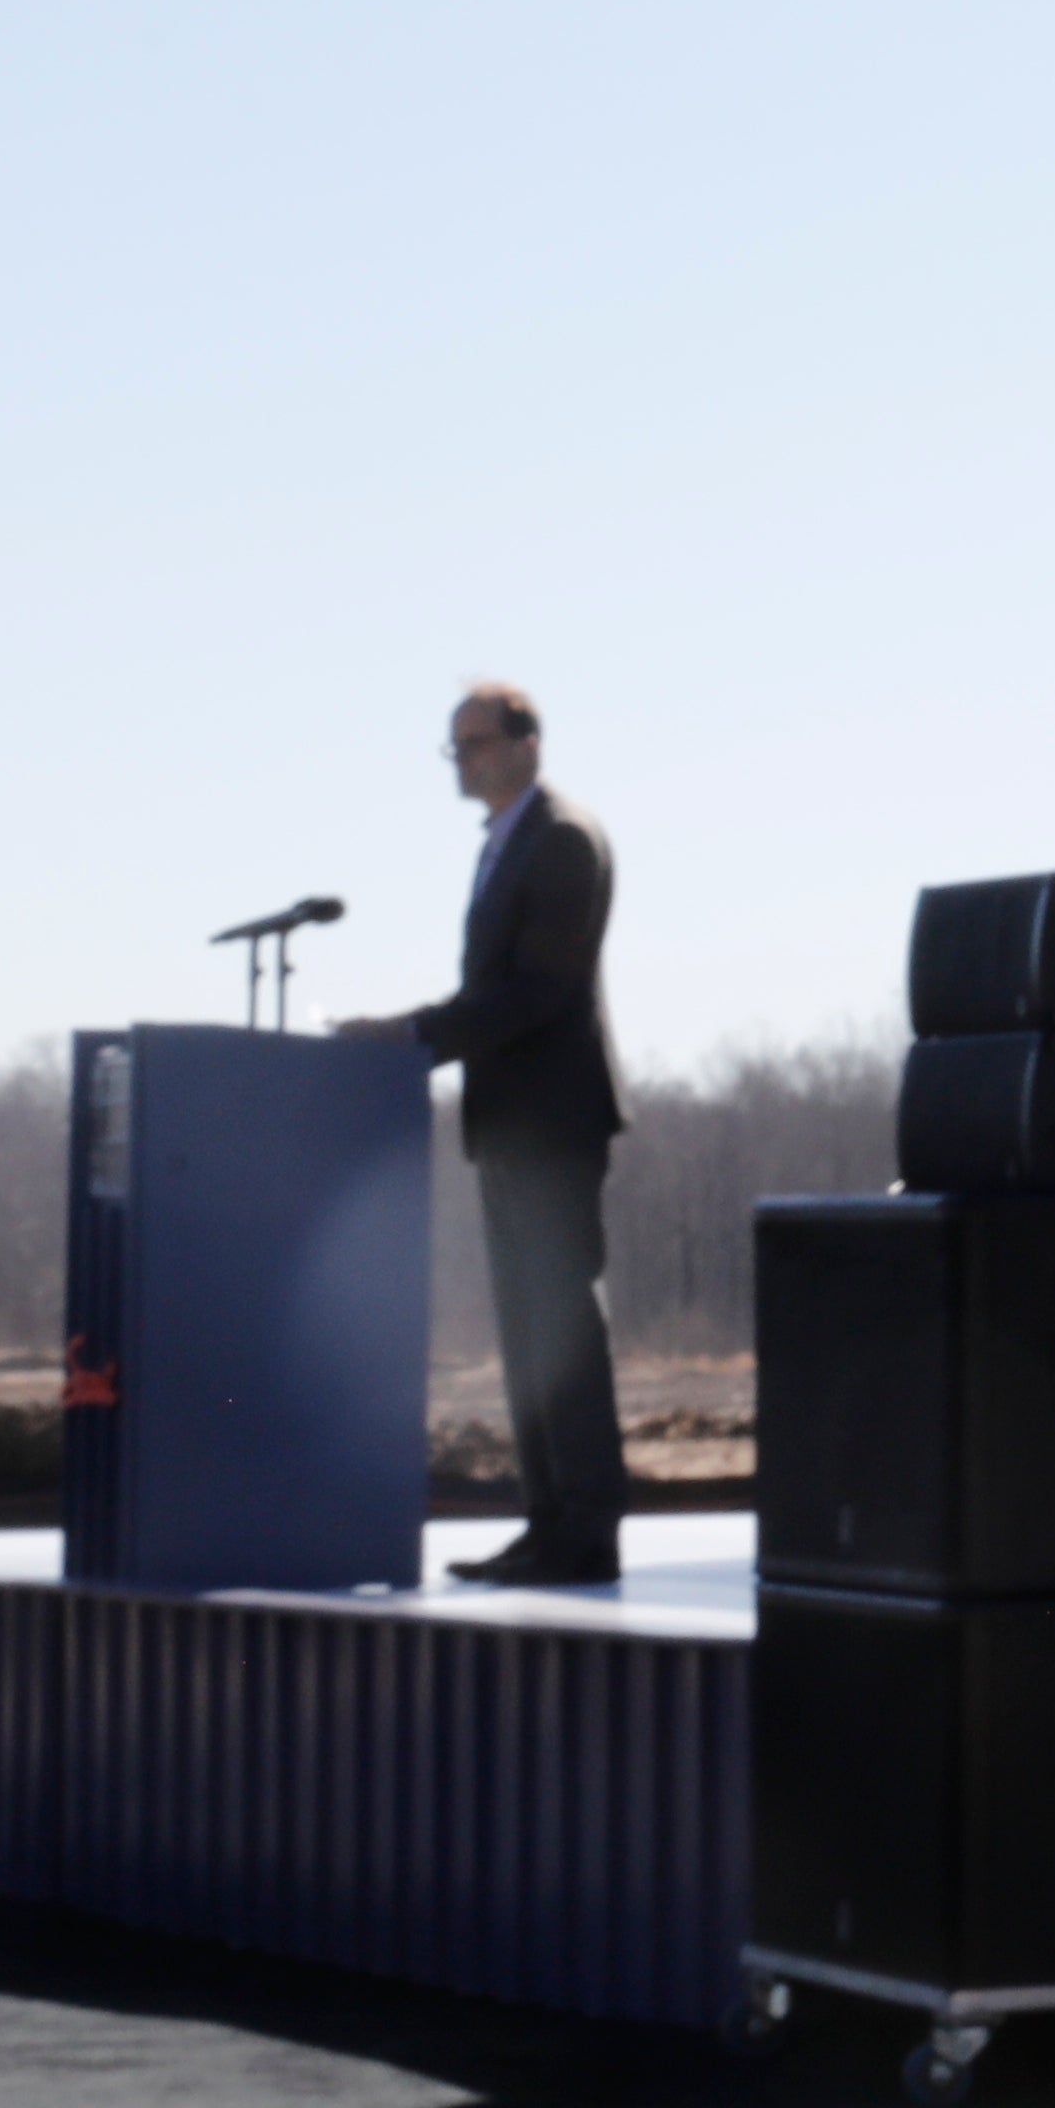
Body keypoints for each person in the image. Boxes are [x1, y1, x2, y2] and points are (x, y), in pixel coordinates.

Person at [334, 679, 629, 1586]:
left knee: (561, 1334)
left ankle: (584, 1531)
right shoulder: (506, 843)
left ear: (528, 742)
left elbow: (537, 992)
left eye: (478, 743)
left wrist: (410, 1036)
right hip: (508, 1125)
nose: (465, 762)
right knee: (529, 1340)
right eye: (455, 748)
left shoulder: (563, 840)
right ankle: (548, 1526)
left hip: (551, 1123)